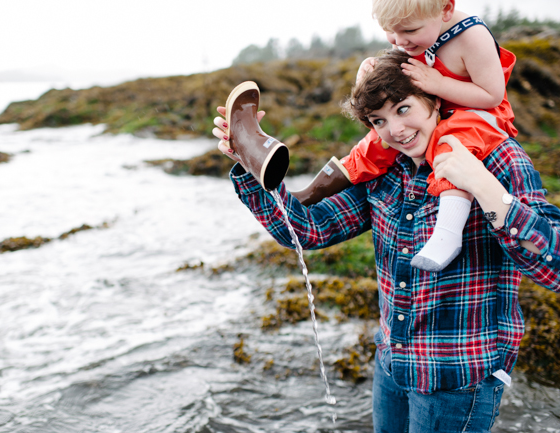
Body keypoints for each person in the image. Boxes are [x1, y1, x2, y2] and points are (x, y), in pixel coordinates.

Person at [213, 50, 560, 432]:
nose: (394, 130)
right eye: (379, 120)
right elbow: (306, 229)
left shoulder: (499, 157)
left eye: (403, 109)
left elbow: (554, 265)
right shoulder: (386, 166)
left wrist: (481, 185)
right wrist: (249, 163)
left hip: (459, 376)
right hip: (392, 363)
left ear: (434, 98)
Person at [328, 0, 518, 273]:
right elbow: (401, 75)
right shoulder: (409, 32)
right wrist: (369, 74)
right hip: (432, 108)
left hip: (478, 114)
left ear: (445, 10)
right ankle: (314, 192)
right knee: (375, 142)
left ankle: (447, 234)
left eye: (409, 31)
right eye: (390, 32)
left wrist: (438, 84)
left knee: (449, 145)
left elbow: (492, 95)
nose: (399, 41)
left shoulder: (471, 37)